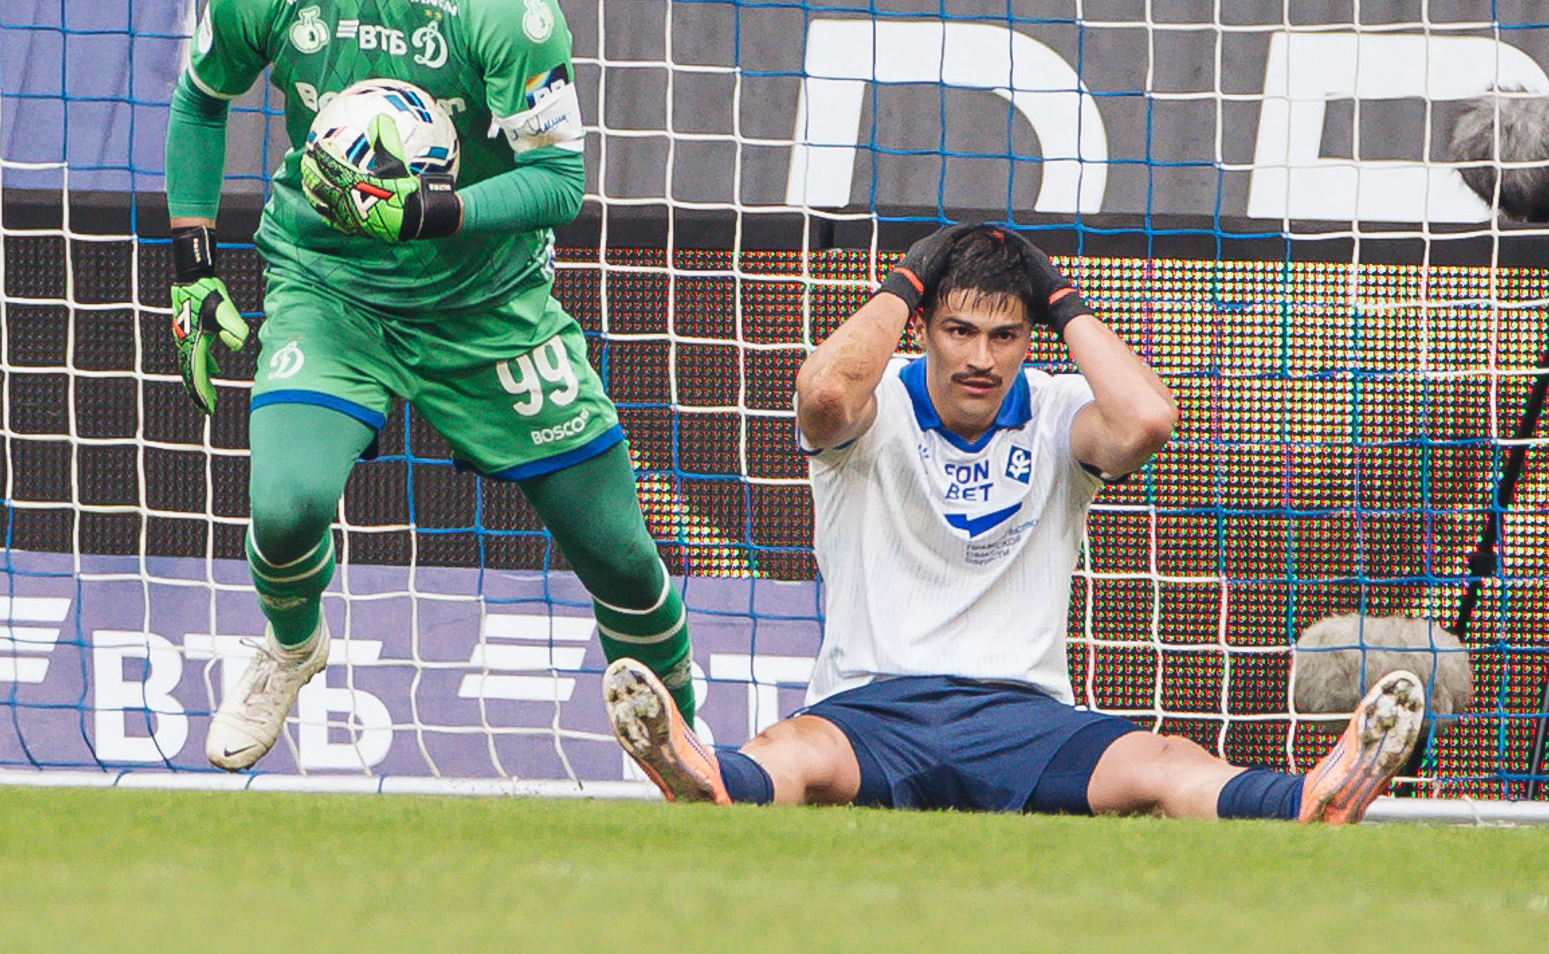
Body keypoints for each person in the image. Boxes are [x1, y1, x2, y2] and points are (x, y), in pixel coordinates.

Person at [166, 0, 698, 771]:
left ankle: (690, 753)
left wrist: (428, 214)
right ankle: (288, 642)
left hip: (485, 304)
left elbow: (557, 185)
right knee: (283, 508)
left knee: (620, 559)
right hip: (329, 285)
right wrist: (191, 258)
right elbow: (200, 101)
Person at [603, 224, 1427, 822]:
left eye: (1005, 335)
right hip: (871, 706)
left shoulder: (1064, 408)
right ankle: (702, 774)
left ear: (1029, 340)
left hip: (1023, 717)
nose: (981, 358)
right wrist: (907, 278)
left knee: (1168, 763)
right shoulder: (873, 401)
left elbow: (1147, 420)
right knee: (791, 755)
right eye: (959, 330)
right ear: (923, 328)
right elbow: (821, 395)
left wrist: (1061, 295)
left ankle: (1309, 798)